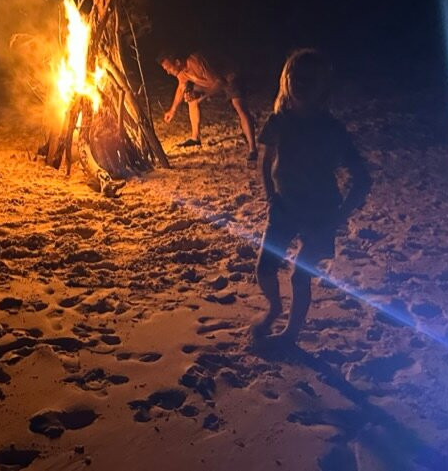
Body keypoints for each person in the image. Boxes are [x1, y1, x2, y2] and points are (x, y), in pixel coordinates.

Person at [253, 49, 371, 346]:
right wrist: (270, 195)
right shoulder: (279, 122)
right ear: (286, 80)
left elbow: (362, 178)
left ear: (324, 86)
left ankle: (291, 333)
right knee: (265, 267)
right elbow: (265, 161)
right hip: (284, 207)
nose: (303, 83)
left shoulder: (332, 130)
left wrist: (340, 216)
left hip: (320, 212)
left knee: (299, 275)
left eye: (311, 79)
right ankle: (274, 308)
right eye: (298, 77)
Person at [158, 51, 257, 165]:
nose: (168, 72)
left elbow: (220, 82)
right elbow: (181, 88)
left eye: (168, 68)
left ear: (177, 62)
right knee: (190, 96)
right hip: (213, 83)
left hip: (229, 79)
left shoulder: (195, 62)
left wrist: (202, 97)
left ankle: (252, 149)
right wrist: (172, 110)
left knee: (240, 107)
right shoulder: (181, 72)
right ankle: (195, 138)